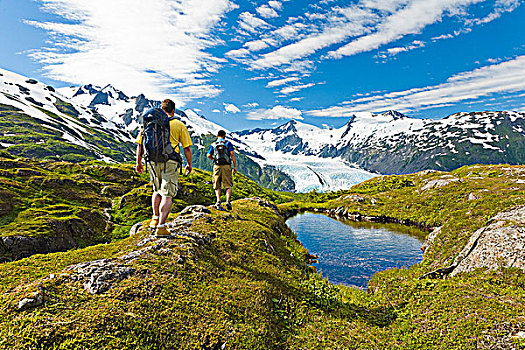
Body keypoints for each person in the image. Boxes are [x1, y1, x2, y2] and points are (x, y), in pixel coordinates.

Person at [135, 99, 193, 237]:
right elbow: (187, 148)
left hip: (153, 161)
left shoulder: (148, 124)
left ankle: (155, 219)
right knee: (167, 194)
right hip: (170, 162)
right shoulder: (179, 125)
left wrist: (139, 162)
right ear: (173, 111)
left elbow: (140, 145)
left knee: (156, 190)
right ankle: (161, 227)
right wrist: (189, 164)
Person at [207, 130, 237, 210]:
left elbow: (208, 155)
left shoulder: (213, 144)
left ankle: (218, 201)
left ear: (217, 136)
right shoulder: (228, 143)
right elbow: (232, 154)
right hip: (227, 165)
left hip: (217, 166)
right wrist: (235, 166)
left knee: (217, 184)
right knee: (228, 185)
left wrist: (213, 158)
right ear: (224, 136)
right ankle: (228, 201)